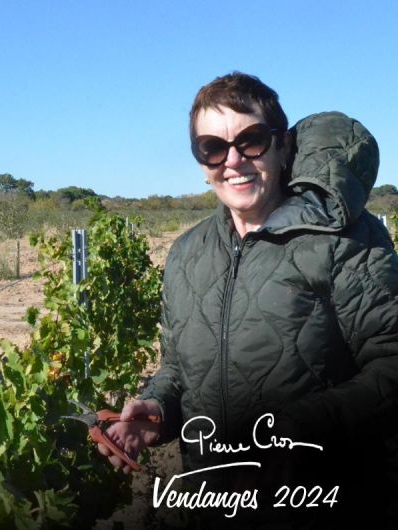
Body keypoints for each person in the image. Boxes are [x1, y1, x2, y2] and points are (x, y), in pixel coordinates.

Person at [99, 72, 398, 528]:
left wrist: (306, 425)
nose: (233, 161)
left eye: (251, 140)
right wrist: (155, 411)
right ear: (201, 162)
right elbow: (178, 370)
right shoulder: (186, 254)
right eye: (212, 148)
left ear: (281, 145)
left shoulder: (345, 239)